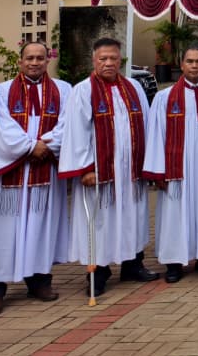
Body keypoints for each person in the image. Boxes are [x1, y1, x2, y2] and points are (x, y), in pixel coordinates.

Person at [58, 37, 158, 296]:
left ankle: (133, 264)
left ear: (120, 60)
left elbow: (146, 125)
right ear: (94, 60)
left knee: (133, 216)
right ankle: (98, 272)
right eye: (103, 59)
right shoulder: (83, 91)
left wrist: (147, 164)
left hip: (130, 171)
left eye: (113, 58)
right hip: (100, 172)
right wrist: (85, 168)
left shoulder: (134, 88)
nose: (108, 63)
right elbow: (76, 132)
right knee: (100, 221)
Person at [0, 41, 71, 315]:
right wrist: (30, 147)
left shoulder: (63, 91)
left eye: (40, 58)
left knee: (41, 228)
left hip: (45, 173)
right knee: (1, 232)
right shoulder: (0, 92)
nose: (34, 62)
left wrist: (46, 145)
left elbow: (68, 124)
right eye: (29, 58)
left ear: (47, 61)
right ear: (20, 61)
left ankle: (39, 281)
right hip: (9, 173)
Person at [141, 44, 198, 283]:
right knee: (174, 214)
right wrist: (158, 170)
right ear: (182, 65)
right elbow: (155, 134)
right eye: (190, 61)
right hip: (177, 168)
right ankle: (173, 263)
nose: (194, 66)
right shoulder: (165, 97)